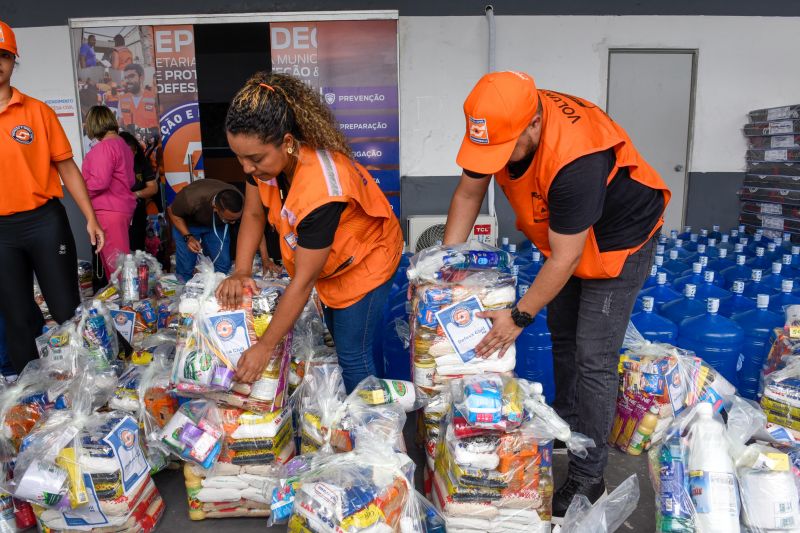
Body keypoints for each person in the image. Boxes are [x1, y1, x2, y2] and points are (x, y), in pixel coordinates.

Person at [443, 71, 670, 517]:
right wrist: (446, 271)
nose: (494, 163)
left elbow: (566, 260)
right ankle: (572, 434)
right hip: (566, 239)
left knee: (592, 358)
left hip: (620, 241)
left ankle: (589, 479)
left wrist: (518, 317)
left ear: (532, 126)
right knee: (564, 339)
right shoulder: (498, 121)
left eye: (502, 153)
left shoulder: (577, 160)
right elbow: (469, 194)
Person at [216, 72, 403, 393]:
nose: (246, 168)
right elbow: (253, 211)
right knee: (342, 338)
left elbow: (303, 282)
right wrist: (242, 270)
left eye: (254, 159)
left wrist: (265, 348)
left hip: (367, 262)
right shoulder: (263, 162)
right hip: (332, 264)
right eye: (239, 157)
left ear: (287, 143)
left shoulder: (322, 190)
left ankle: (378, 433)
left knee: (353, 354)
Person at [0, 20, 105, 373]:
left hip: (43, 221)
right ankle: (30, 396)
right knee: (16, 317)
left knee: (65, 309)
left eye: (4, 55)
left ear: (14, 60)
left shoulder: (38, 112)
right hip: (1, 234)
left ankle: (85, 378)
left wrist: (90, 217)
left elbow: (68, 168)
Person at [81, 105, 136, 276]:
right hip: (120, 209)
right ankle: (123, 300)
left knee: (116, 268)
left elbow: (99, 182)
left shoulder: (104, 148)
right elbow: (131, 180)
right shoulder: (123, 146)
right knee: (117, 265)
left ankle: (126, 302)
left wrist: (79, 191)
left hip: (108, 211)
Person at [167, 179, 245, 281]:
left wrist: (265, 258)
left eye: (235, 219)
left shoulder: (240, 200)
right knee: (186, 267)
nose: (233, 223)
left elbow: (253, 227)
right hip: (189, 224)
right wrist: (188, 236)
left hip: (216, 225)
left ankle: (215, 291)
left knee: (223, 264)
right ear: (215, 208)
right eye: (229, 219)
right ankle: (187, 293)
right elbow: (172, 212)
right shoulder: (191, 199)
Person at [118, 131, 159, 252]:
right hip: (118, 212)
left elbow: (153, 188)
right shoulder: (111, 164)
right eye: (130, 152)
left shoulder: (141, 163)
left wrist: (135, 194)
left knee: (137, 248)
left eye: (135, 150)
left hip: (137, 210)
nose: (134, 154)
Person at [118, 64, 158, 131]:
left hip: (150, 140)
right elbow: (120, 124)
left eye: (131, 76)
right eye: (126, 77)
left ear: (141, 78)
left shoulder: (154, 98)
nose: (127, 81)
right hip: (130, 140)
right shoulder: (122, 100)